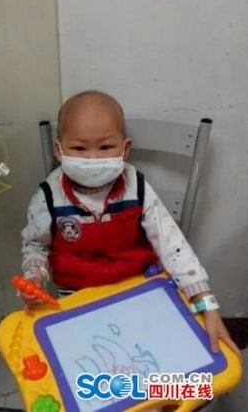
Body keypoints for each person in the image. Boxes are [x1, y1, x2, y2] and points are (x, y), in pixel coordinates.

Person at [21, 90, 239, 356]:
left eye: (105, 147)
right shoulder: (47, 196)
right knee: (91, 360)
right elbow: (36, 245)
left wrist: (205, 301)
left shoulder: (137, 187)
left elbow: (171, 243)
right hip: (76, 297)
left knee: (160, 357)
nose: (93, 158)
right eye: (79, 148)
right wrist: (34, 277)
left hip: (139, 289)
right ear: (59, 150)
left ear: (125, 149)